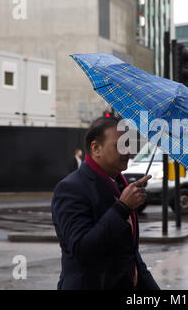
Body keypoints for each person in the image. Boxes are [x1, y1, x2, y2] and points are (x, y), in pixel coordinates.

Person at [51, 116, 159, 290]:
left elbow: (131, 256)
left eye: (128, 145)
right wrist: (122, 207)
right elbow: (82, 250)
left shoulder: (121, 185)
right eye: (120, 145)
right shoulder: (71, 188)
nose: (128, 152)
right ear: (96, 148)